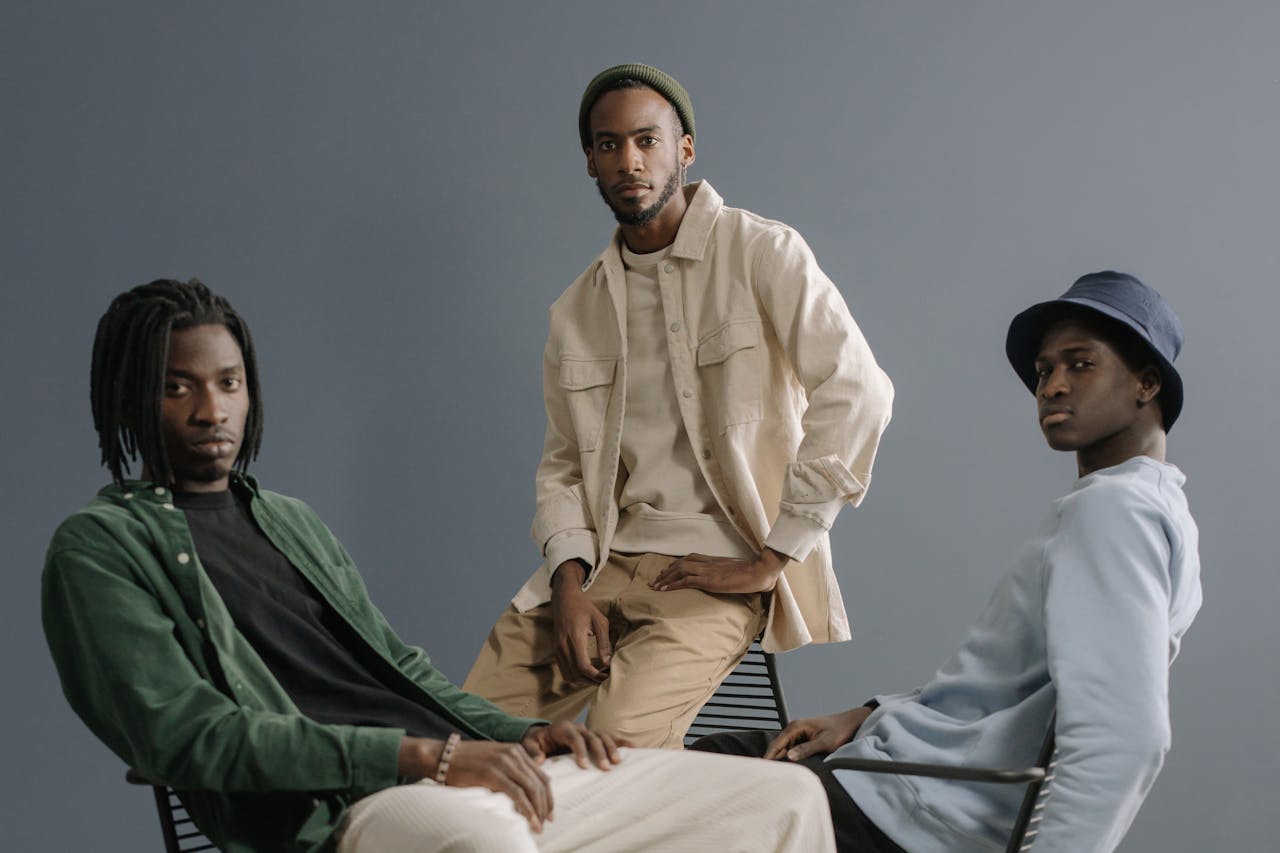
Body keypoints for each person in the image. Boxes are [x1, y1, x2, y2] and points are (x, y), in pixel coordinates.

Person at [42, 279, 836, 853]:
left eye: (229, 383)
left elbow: (395, 666)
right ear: (130, 397)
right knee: (485, 843)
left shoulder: (287, 521)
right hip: (361, 815)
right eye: (178, 388)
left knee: (785, 797)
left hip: (468, 769)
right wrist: (426, 757)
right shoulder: (100, 551)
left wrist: (528, 733)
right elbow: (190, 739)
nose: (212, 410)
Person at [692, 271, 1202, 853]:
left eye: (1080, 364)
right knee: (685, 761)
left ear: (1146, 383)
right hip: (893, 773)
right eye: (1043, 371)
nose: (1053, 386)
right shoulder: (1152, 510)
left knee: (652, 781)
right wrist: (867, 715)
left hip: (900, 811)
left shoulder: (1116, 513)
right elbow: (1007, 687)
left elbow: (1125, 734)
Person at [463, 62, 894, 748]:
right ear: (590, 163)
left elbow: (858, 388)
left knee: (615, 749)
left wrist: (776, 554)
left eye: (646, 140)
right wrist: (568, 586)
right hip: (601, 566)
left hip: (710, 574)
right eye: (609, 146)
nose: (629, 161)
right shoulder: (576, 310)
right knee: (458, 733)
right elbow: (564, 468)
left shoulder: (761, 253)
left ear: (684, 148)